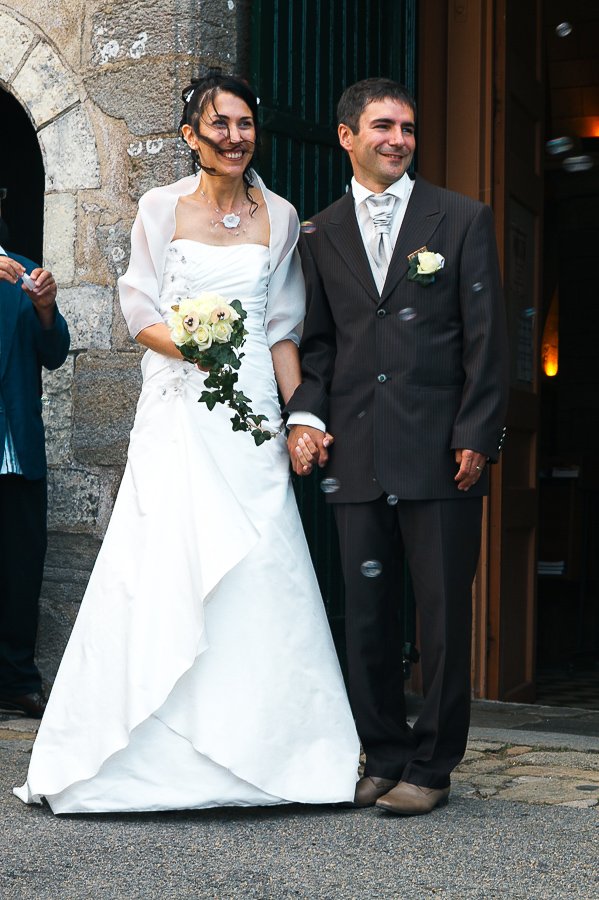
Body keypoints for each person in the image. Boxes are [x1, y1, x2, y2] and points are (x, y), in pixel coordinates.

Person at [14, 71, 359, 814]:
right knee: (162, 552)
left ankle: (276, 755)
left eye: (245, 123)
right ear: (190, 136)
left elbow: (281, 328)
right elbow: (139, 309)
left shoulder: (281, 214)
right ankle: (143, 750)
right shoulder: (159, 207)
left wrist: (299, 414)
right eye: (219, 124)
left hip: (251, 409)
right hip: (178, 405)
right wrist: (194, 347)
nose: (235, 137)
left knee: (261, 559)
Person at [285, 77, 509, 816]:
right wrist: (306, 417)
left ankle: (433, 767)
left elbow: (486, 339)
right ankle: (381, 753)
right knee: (367, 614)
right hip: (355, 450)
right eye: (383, 126)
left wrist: (476, 433)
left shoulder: (461, 218)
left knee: (440, 617)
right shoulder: (318, 233)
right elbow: (319, 345)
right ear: (346, 136)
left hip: (440, 451)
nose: (398, 139)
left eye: (407, 128)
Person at [0, 240, 70, 719]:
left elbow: (55, 353)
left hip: (18, 451)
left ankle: (17, 681)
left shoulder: (26, 270)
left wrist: (46, 309)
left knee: (20, 571)